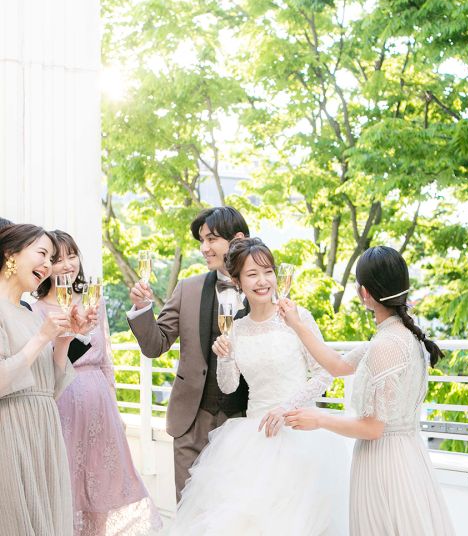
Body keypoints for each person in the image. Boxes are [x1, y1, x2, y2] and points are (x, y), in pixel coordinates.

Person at [169, 237, 350, 535]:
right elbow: (229, 386)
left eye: (268, 272)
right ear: (238, 281)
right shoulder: (237, 328)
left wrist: (286, 408)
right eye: (252, 274)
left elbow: (325, 373)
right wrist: (225, 358)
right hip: (254, 438)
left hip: (301, 433)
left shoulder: (297, 317)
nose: (263, 281)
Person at [280, 246, 455, 536]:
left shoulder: (385, 345)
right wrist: (297, 325)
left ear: (365, 294)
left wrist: (319, 418)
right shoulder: (400, 336)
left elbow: (373, 428)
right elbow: (337, 365)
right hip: (408, 456)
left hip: (385, 464)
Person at [33, 230, 162, 536]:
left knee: (101, 482)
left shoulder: (94, 300)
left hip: (99, 405)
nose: (68, 264)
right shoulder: (36, 310)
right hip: (62, 405)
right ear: (46, 266)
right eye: (58, 259)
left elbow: (106, 360)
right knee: (67, 483)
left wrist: (114, 408)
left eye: (72, 256)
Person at [127, 206, 251, 500]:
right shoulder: (188, 289)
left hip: (244, 421)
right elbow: (155, 345)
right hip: (192, 421)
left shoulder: (262, 288)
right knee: (189, 509)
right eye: (201, 241)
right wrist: (142, 309)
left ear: (237, 239)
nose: (204, 248)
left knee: (235, 510)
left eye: (211, 239)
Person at [0, 223, 95, 536]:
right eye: (42, 253)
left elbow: (49, 390)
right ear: (10, 253)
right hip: (12, 432)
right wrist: (42, 337)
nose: (47, 265)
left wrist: (63, 339)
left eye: (50, 258)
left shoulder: (29, 314)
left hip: (44, 431)